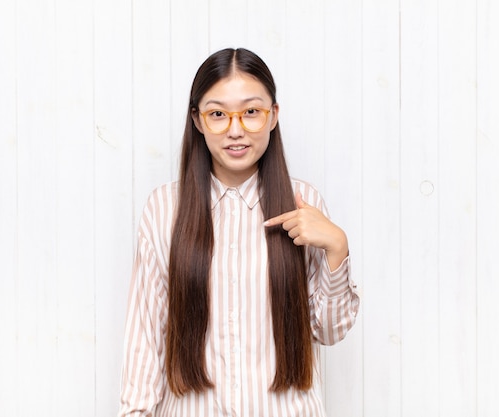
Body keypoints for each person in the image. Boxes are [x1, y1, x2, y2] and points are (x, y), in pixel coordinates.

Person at [118, 47, 360, 417]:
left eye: (251, 112)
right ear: (198, 120)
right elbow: (146, 338)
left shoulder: (303, 204)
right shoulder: (164, 209)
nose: (235, 130)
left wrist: (336, 248)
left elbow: (328, 331)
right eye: (218, 114)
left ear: (273, 116)